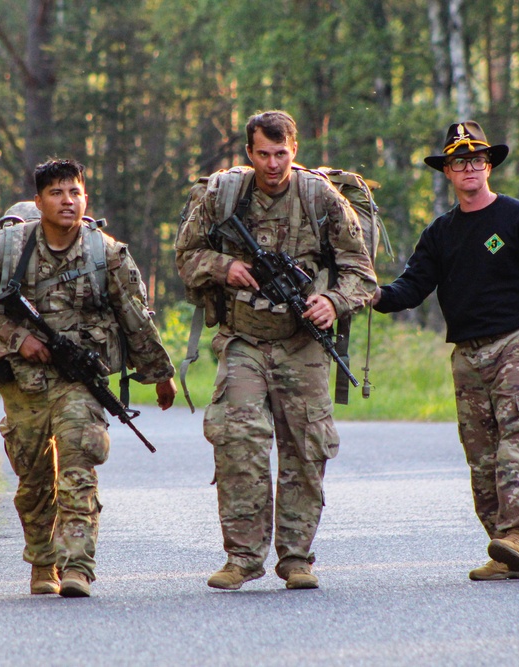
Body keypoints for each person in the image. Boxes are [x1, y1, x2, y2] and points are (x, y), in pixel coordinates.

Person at [175, 110, 376, 591]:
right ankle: (242, 558)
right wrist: (224, 267)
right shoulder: (224, 195)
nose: (272, 164)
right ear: (249, 153)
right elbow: (185, 257)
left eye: (281, 153)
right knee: (239, 441)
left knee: (306, 449)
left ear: (295, 150)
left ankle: (297, 558)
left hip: (302, 341)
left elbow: (361, 273)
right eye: (262, 154)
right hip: (243, 338)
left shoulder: (319, 198)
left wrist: (331, 300)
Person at [0, 158, 177, 598]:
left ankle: (77, 566)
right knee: (34, 478)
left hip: (79, 379)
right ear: (39, 201)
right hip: (22, 380)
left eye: (75, 192)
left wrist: (159, 374)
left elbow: (134, 317)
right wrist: (18, 337)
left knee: (79, 462)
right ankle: (43, 563)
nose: (68, 201)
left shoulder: (106, 253)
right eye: (57, 193)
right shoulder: (6, 249)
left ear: (86, 198)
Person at [372, 121, 519, 581]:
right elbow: (411, 287)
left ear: (489, 166)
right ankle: (507, 553)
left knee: (517, 441)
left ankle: (518, 535)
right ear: (447, 172)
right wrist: (369, 295)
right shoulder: (440, 233)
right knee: (481, 455)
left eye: (477, 160)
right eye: (459, 162)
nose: (469, 169)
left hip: (517, 344)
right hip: (467, 355)